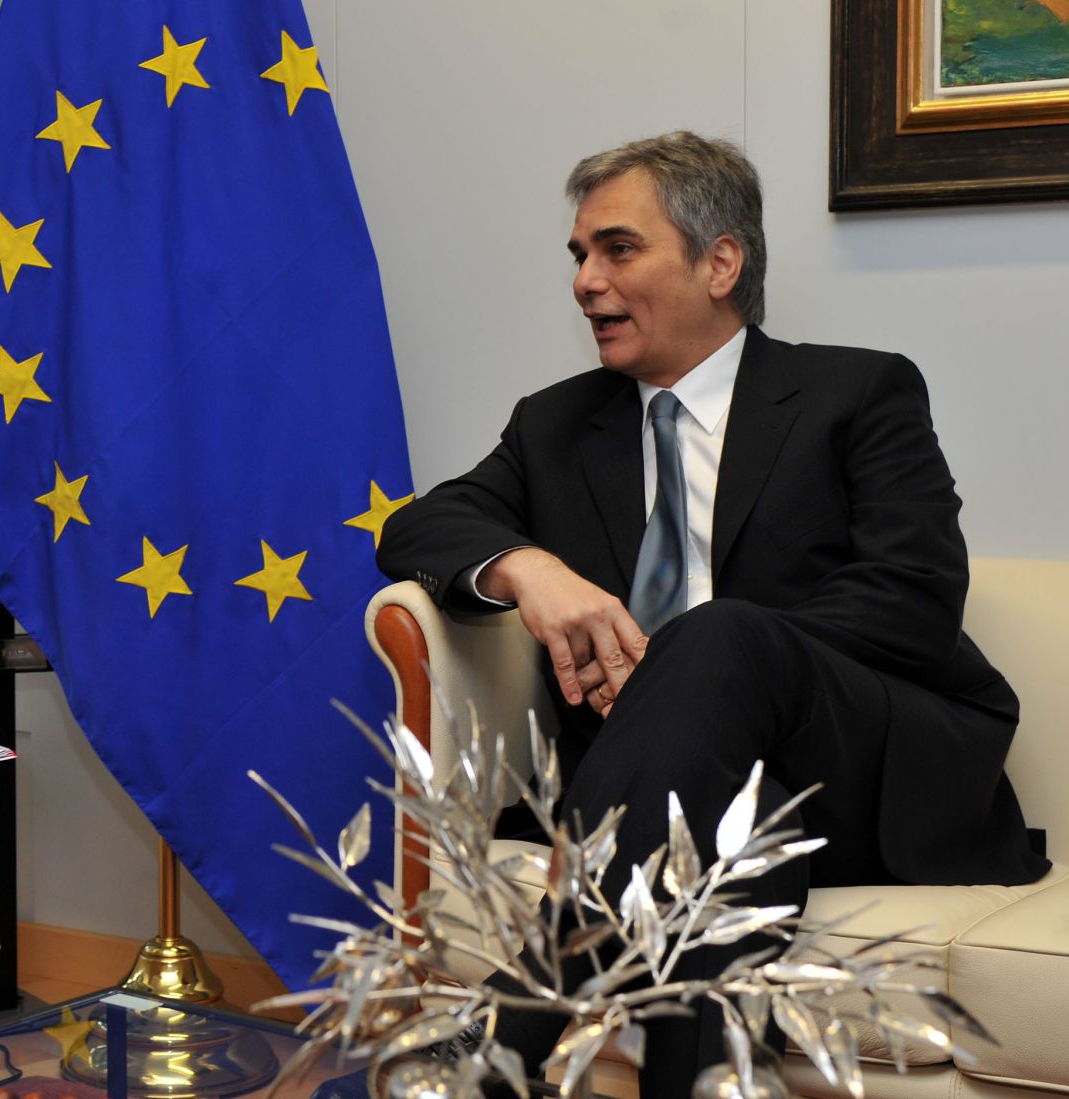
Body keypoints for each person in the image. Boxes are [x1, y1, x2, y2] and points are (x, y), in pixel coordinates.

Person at [377, 131, 1048, 1093]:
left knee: (722, 633)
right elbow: (421, 526)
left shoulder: (858, 392)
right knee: (736, 841)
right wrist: (529, 567)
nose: (584, 281)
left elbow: (913, 595)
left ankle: (528, 1006)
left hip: (867, 763)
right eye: (578, 256)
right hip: (689, 794)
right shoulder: (557, 425)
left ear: (719, 261)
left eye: (617, 249)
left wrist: (702, 657)